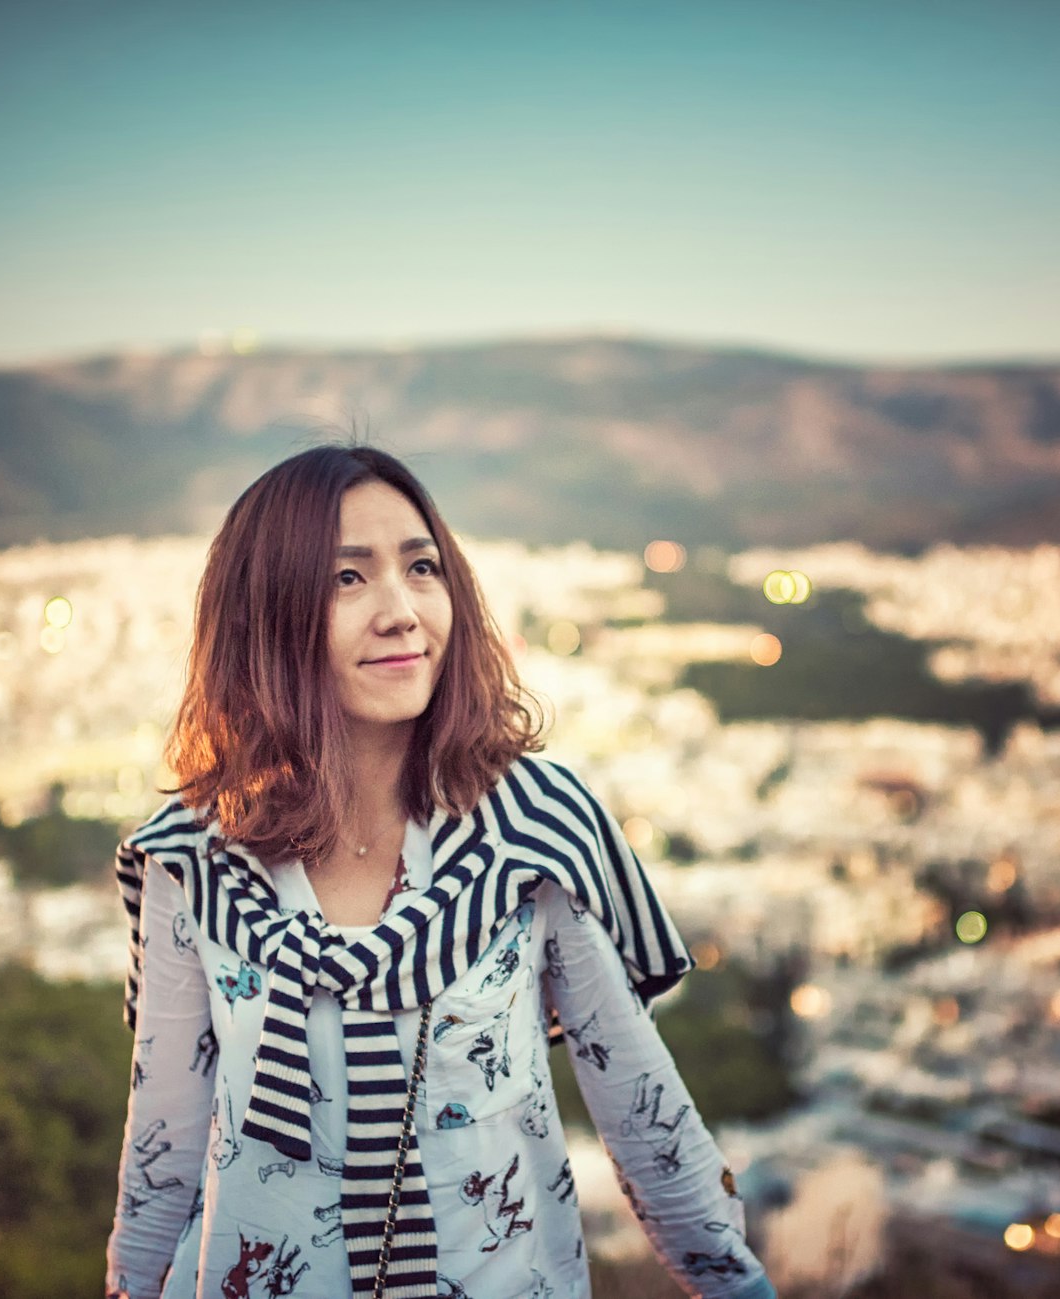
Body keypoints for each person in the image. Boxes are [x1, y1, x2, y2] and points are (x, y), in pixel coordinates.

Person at [105, 445, 775, 1299]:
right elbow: (163, 1143)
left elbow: (642, 1113)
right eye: (347, 579)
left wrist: (736, 1284)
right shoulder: (192, 860)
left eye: (421, 567)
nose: (400, 611)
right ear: (264, 614)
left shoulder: (533, 832)